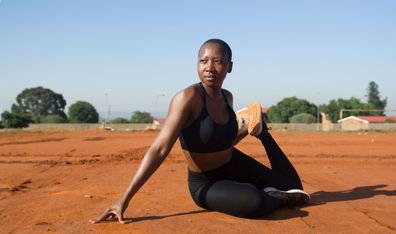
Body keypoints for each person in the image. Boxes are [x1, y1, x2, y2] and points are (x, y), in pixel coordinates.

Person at [90, 39, 310, 223]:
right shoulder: (187, 99)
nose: (210, 67)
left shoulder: (227, 97)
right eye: (204, 61)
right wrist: (124, 199)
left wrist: (256, 131)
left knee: (295, 189)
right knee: (254, 201)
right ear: (197, 64)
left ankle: (263, 134)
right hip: (206, 182)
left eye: (218, 61)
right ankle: (274, 196)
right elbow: (159, 149)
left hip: (233, 163)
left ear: (229, 66)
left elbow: (220, 141)